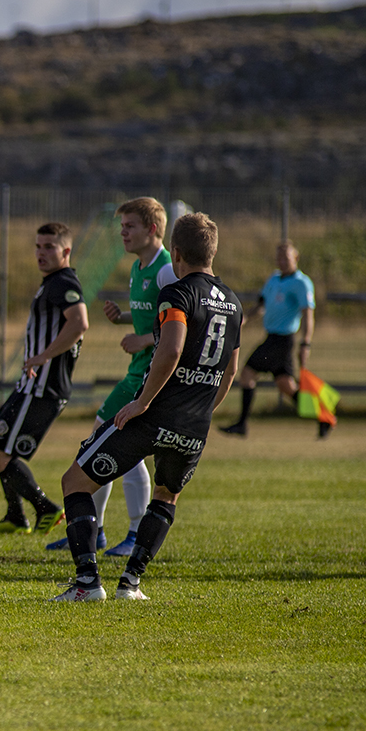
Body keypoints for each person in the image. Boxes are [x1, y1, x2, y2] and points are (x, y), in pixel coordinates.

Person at [53, 212, 241, 602]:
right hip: (194, 424)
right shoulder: (234, 305)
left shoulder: (177, 294)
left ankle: (88, 583)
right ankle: (131, 583)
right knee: (166, 496)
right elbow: (230, 371)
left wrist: (143, 402)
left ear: (175, 252)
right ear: (214, 251)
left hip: (155, 415)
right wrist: (204, 412)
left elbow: (171, 349)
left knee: (75, 482)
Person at [47, 198, 173, 557]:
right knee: (108, 446)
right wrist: (123, 318)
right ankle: (98, 529)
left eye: (129, 226)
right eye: (121, 227)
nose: (123, 233)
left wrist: (145, 339)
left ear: (152, 229)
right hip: (137, 370)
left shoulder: (165, 270)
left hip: (148, 375)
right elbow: (155, 315)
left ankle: (125, 531)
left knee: (111, 446)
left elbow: (184, 320)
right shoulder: (138, 268)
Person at [0, 222, 88, 535]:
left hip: (43, 387)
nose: (41, 253)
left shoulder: (62, 282)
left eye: (49, 247)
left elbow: (79, 322)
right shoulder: (51, 282)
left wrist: (44, 356)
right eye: (38, 246)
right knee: (0, 448)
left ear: (66, 251)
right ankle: (16, 515)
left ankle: (46, 508)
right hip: (32, 385)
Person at [220, 241, 323, 437]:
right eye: (279, 258)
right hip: (272, 337)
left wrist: (306, 343)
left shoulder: (301, 283)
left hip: (283, 339)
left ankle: (242, 424)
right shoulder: (274, 279)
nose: (282, 261)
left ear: (296, 258)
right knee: (287, 387)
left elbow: (308, 314)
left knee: (248, 374)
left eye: (286, 257)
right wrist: (245, 319)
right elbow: (261, 305)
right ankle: (323, 417)